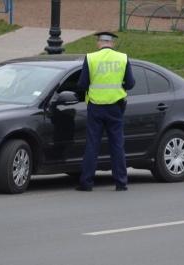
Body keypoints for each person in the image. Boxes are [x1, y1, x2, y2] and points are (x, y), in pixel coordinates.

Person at [75, 32, 135, 192]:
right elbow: (130, 84)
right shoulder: (123, 58)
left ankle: (86, 183)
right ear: (112, 43)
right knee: (117, 145)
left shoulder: (91, 58)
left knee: (92, 145)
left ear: (99, 43)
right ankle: (121, 183)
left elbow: (82, 84)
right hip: (116, 107)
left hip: (95, 106)